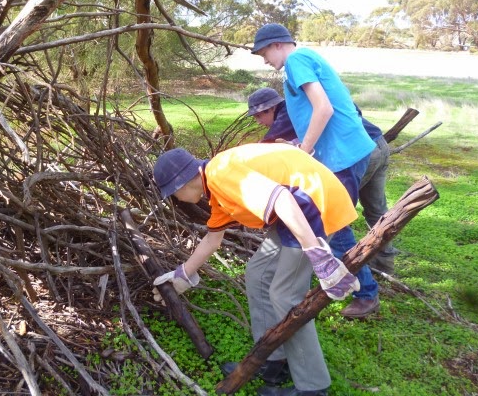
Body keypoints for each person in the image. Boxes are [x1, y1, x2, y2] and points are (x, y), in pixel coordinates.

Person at [152, 144, 362, 396]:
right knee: (258, 275)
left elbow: (282, 198)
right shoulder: (215, 187)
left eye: (173, 195)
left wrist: (315, 252)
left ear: (181, 185)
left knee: (285, 295)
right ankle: (274, 361)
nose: (176, 200)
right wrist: (182, 275)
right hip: (294, 209)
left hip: (312, 204)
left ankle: (313, 387)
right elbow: (212, 240)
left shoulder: (221, 174)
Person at [251, 24, 380, 319]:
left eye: (264, 52)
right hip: (342, 153)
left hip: (343, 156)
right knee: (335, 222)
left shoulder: (297, 61)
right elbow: (315, 111)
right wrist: (299, 141)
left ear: (279, 45)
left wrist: (304, 149)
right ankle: (353, 283)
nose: (264, 60)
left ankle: (365, 292)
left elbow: (324, 108)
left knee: (334, 223)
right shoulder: (303, 60)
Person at [247, 87, 397, 274]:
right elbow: (355, 110)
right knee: (376, 211)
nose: (259, 122)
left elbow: (265, 148)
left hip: (357, 153)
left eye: (259, 116)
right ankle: (384, 264)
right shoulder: (310, 100)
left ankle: (358, 279)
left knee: (334, 214)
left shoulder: (286, 113)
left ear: (270, 109)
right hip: (377, 144)